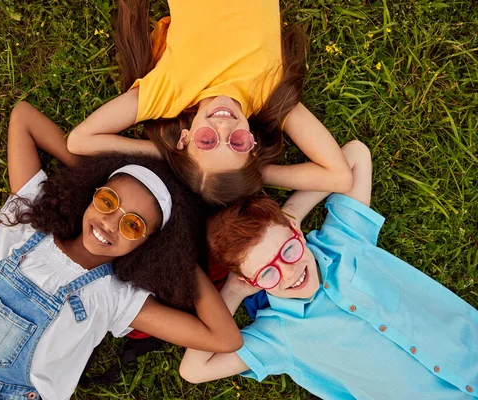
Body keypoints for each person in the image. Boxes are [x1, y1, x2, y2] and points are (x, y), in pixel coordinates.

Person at [0, 102, 242, 400]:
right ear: (92, 193)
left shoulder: (119, 298)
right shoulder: (31, 222)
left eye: (133, 225)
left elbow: (223, 338)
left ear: (148, 242)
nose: (108, 223)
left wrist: (176, 255)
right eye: (107, 201)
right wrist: (100, 174)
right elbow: (23, 117)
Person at [179, 140, 478, 399]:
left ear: (296, 232)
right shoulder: (279, 334)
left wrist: (291, 212)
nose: (289, 272)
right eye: (267, 273)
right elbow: (194, 370)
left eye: (289, 250)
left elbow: (355, 155)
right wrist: (233, 291)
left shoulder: (343, 241)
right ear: (251, 281)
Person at [66, 0, 353, 204]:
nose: (223, 127)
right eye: (237, 142)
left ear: (184, 138)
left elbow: (80, 140)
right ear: (253, 144)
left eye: (206, 141)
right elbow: (339, 177)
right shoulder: (268, 92)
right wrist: (251, 175)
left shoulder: (169, 93)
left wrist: (169, 155)